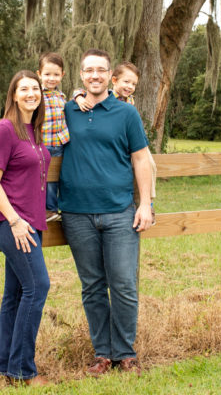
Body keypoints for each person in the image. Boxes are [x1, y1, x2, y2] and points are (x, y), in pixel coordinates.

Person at [59, 49, 154, 376]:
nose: (95, 75)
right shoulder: (66, 110)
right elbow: (31, 104)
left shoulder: (126, 113)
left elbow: (141, 159)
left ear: (109, 75)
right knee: (93, 286)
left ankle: (126, 353)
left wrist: (145, 204)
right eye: (89, 70)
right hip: (76, 213)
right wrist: (72, 97)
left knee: (124, 283)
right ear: (81, 74)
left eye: (101, 70)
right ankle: (103, 354)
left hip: (119, 213)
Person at [0, 70, 51, 387]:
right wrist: (14, 220)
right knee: (38, 287)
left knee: (15, 294)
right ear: (13, 95)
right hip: (12, 224)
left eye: (35, 89)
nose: (30, 94)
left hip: (31, 224)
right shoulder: (5, 129)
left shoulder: (33, 130)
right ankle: (23, 370)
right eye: (24, 89)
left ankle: (7, 368)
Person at [74, 61, 157, 218]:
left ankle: (147, 202)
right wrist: (78, 97)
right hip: (116, 147)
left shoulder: (130, 101)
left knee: (148, 164)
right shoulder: (106, 97)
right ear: (114, 80)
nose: (130, 87)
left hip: (130, 143)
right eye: (126, 82)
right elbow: (78, 90)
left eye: (133, 84)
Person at [37, 52, 69, 222]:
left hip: (61, 144)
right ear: (39, 74)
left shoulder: (61, 96)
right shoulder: (37, 95)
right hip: (44, 144)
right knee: (47, 180)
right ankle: (49, 210)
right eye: (47, 74)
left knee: (59, 177)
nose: (52, 78)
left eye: (56, 74)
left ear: (62, 75)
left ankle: (62, 208)